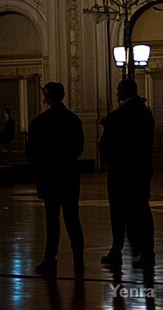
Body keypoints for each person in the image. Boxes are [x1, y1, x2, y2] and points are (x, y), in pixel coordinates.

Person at [26, 81, 85, 275]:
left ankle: (50, 260)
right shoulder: (73, 119)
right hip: (68, 175)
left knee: (52, 222)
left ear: (48, 96)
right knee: (73, 220)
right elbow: (78, 148)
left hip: (49, 176)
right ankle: (79, 260)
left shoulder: (40, 121)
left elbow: (31, 152)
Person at [99, 78, 155, 268]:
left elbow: (106, 144)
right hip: (141, 170)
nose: (116, 92)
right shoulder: (146, 113)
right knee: (142, 210)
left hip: (121, 172)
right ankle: (148, 252)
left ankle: (117, 250)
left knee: (118, 212)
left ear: (124, 91)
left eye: (118, 89)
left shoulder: (119, 115)